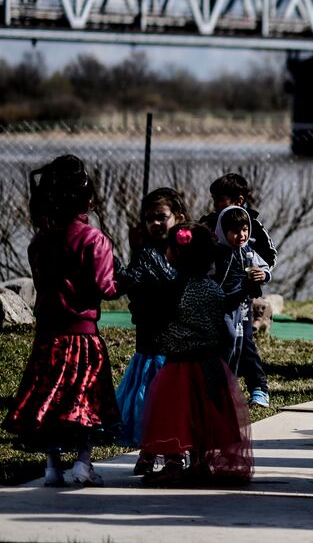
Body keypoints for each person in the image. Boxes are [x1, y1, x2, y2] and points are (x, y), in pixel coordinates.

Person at [3, 155, 119, 488]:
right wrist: (127, 279)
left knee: (51, 401)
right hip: (82, 338)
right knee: (84, 400)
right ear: (88, 199)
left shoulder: (39, 240)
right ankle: (83, 462)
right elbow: (105, 287)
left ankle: (52, 466)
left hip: (48, 338)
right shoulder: (93, 240)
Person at [140, 222, 253, 486]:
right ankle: (201, 462)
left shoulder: (173, 288)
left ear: (177, 256)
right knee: (204, 415)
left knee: (173, 414)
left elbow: (161, 320)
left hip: (180, 364)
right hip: (210, 363)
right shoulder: (213, 288)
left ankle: (173, 463)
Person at [114, 187, 186, 475]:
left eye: (162, 216)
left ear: (177, 218)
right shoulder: (144, 254)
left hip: (177, 346)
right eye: (149, 218)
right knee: (148, 402)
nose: (156, 223)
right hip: (150, 341)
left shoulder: (187, 254)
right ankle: (148, 450)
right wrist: (115, 260)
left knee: (172, 404)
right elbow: (128, 283)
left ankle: (174, 453)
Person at [198, 173, 277, 408]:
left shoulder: (252, 226)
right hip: (213, 303)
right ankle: (216, 388)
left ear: (239, 199)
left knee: (245, 343)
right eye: (213, 201)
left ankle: (258, 388)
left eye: (219, 200)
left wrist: (261, 273)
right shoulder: (209, 224)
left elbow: (269, 256)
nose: (215, 206)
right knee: (218, 344)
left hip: (242, 302)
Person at [212, 206, 271, 383]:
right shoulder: (217, 253)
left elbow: (264, 268)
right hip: (220, 307)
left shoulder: (248, 251)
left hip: (241, 306)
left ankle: (230, 381)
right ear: (223, 231)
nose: (242, 235)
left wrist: (263, 274)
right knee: (228, 336)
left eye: (245, 230)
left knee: (238, 343)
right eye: (235, 231)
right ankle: (218, 379)